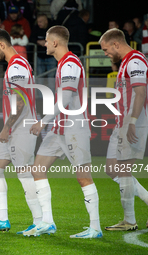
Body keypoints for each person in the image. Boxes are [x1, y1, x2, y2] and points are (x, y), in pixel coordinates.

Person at [26, 25, 102, 239]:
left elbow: (67, 98)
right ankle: (48, 222)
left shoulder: (70, 63)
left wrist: (43, 121)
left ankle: (95, 227)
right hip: (59, 129)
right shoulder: (64, 64)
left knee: (83, 177)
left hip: (74, 129)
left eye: (47, 41)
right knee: (38, 169)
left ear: (55, 42)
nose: (45, 44)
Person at [0, 28, 42, 234]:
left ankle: (40, 220)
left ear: (2, 45)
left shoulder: (17, 67)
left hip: (20, 129)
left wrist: (6, 127)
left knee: (24, 174)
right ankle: (3, 219)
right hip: (14, 129)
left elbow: (20, 101)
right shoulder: (17, 65)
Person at [99, 28, 148, 231]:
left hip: (133, 123)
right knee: (112, 169)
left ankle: (129, 220)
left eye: (106, 49)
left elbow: (140, 92)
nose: (105, 54)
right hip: (122, 123)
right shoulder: (126, 63)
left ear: (116, 44)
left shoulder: (135, 61)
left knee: (123, 169)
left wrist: (132, 121)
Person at [30, 14, 57, 93]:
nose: (39, 23)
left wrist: (47, 42)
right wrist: (38, 42)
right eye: (38, 22)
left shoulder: (53, 28)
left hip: (51, 57)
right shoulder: (36, 28)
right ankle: (39, 100)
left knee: (51, 79)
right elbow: (31, 38)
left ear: (46, 21)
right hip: (39, 56)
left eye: (41, 22)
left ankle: (52, 99)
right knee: (39, 79)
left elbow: (58, 39)